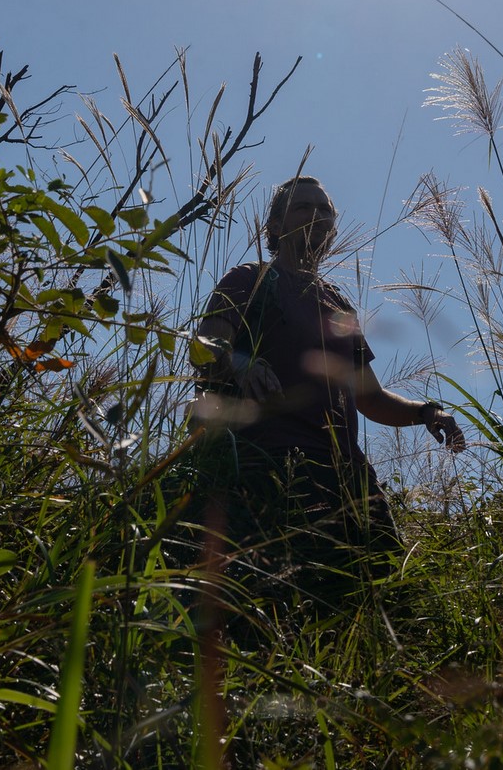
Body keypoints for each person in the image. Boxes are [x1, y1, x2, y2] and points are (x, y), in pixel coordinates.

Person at [187, 175, 465, 616]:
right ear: (275, 226)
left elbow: (370, 400)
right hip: (271, 469)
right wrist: (242, 364)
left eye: (325, 211)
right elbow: (205, 347)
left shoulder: (338, 305)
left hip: (346, 479)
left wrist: (428, 411)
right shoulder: (250, 280)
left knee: (386, 604)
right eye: (303, 207)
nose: (317, 216)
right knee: (280, 605)